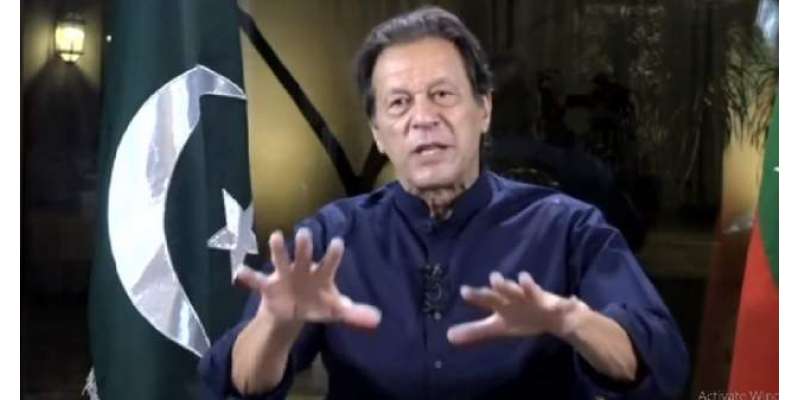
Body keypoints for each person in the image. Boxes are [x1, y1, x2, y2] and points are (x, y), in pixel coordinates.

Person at [199, 6, 688, 399]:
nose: (423, 118)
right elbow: (235, 384)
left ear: (484, 109)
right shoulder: (330, 239)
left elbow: (661, 364)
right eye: (399, 103)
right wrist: (276, 325)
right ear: (379, 134)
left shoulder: (565, 228)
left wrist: (572, 321)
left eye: (442, 94)